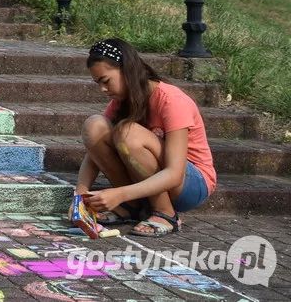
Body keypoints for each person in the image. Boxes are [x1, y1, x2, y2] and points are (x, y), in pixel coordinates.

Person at [74, 38, 215, 237]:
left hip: (190, 183)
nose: (103, 90)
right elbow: (95, 149)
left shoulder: (172, 101)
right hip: (151, 180)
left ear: (127, 70)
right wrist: (80, 194)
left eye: (106, 81)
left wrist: (119, 193)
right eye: (98, 84)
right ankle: (131, 207)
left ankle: (166, 214)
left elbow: (175, 173)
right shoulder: (123, 100)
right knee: (95, 126)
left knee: (127, 132)